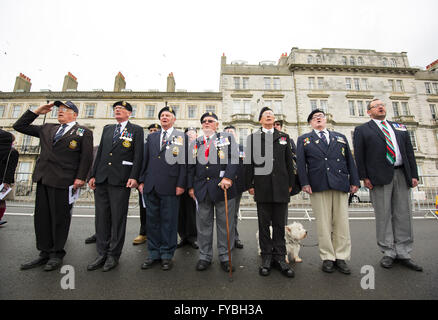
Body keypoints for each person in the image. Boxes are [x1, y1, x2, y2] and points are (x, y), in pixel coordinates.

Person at [14, 101, 93, 271]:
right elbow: (19, 126)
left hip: (64, 180)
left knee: (59, 218)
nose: (61, 112)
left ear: (75, 114)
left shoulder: (83, 132)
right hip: (44, 177)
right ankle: (44, 252)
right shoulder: (47, 128)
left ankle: (56, 253)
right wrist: (36, 112)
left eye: (65, 110)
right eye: (59, 110)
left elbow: (86, 157)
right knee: (41, 217)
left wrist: (81, 177)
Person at [353, 98, 422, 272]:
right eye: (376, 106)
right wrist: (364, 177)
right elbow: (360, 156)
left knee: (403, 214)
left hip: (401, 173)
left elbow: (408, 152)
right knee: (384, 214)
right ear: (368, 111)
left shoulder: (399, 127)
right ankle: (389, 251)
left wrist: (414, 174)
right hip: (378, 177)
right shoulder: (362, 130)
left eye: (382, 105)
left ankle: (404, 252)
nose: (381, 107)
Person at [296, 109, 359, 274]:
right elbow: (301, 164)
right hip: (318, 184)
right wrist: (304, 183)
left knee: (341, 222)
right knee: (323, 224)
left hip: (340, 182)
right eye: (314, 117)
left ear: (326, 120)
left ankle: (341, 256)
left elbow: (349, 161)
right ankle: (328, 257)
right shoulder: (304, 140)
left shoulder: (340, 137)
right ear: (310, 123)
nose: (318, 119)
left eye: (321, 116)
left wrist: (354, 180)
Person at [87, 101, 143, 272]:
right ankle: (101, 253)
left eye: (121, 109)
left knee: (118, 218)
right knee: (101, 218)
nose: (117, 110)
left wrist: (134, 176)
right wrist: (93, 175)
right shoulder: (107, 128)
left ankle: (113, 255)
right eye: (115, 109)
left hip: (121, 179)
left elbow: (138, 154)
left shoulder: (136, 130)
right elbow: (101, 152)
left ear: (129, 113)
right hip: (102, 178)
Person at [245, 107, 296, 278]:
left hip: (281, 187)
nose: (269, 116)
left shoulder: (283, 137)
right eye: (266, 115)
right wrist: (250, 184)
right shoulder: (253, 138)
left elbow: (290, 162)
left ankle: (280, 257)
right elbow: (249, 164)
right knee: (264, 224)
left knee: (280, 225)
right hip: (262, 186)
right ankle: (266, 257)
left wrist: (290, 183)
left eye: (272, 115)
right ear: (260, 120)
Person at [188, 112, 239, 272]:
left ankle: (225, 256)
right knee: (203, 225)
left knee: (225, 225)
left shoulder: (226, 138)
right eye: (204, 121)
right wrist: (190, 187)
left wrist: (229, 178)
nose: (207, 123)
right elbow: (190, 167)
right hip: (202, 189)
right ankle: (205, 256)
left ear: (217, 124)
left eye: (210, 121)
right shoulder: (195, 143)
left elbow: (234, 158)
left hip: (223, 188)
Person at [138, 107, 186, 271]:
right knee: (152, 221)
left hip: (171, 186)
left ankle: (166, 254)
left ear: (174, 119)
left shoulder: (181, 136)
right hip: (151, 185)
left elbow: (183, 164)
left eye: (168, 115)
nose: (164, 117)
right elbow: (145, 160)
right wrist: (142, 181)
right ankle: (153, 253)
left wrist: (181, 184)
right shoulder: (152, 137)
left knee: (169, 221)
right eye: (162, 115)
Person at [132, 123, 161, 246]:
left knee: (160, 211)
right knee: (144, 210)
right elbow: (139, 164)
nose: (153, 132)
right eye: (151, 130)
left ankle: (159, 235)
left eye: (155, 130)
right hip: (145, 183)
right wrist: (139, 181)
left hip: (161, 183)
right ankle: (143, 233)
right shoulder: (143, 146)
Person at [223, 125, 245, 249]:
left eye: (232, 132)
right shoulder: (220, 149)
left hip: (237, 186)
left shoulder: (242, 148)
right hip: (223, 185)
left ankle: (235, 237)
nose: (230, 134)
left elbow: (245, 167)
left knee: (234, 214)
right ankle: (226, 239)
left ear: (235, 135)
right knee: (224, 214)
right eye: (227, 132)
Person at [177, 127, 199, 249]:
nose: (190, 136)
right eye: (188, 134)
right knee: (180, 212)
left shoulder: (199, 148)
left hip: (194, 185)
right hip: (180, 184)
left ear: (196, 136)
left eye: (193, 134)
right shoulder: (179, 148)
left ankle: (193, 237)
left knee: (192, 212)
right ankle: (182, 236)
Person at [0, 132, 19, 226]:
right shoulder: (13, 152)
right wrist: (7, 182)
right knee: (1, 201)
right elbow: (11, 168)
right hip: (4, 181)